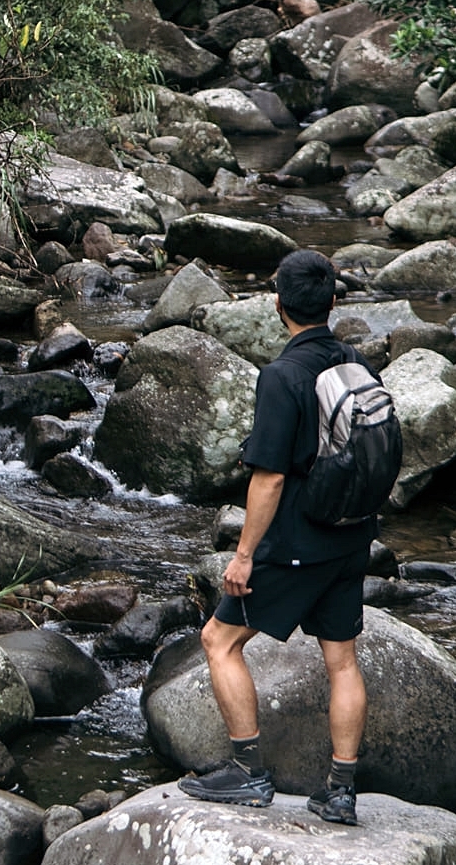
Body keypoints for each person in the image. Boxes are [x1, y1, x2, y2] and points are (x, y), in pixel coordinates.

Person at [179, 249, 378, 826]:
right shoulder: (355, 362)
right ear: (333, 303)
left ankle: (247, 773)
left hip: (297, 541)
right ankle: (340, 791)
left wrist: (243, 556)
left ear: (277, 306)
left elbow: (267, 479)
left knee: (219, 639)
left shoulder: (283, 376)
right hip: (350, 535)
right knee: (341, 659)